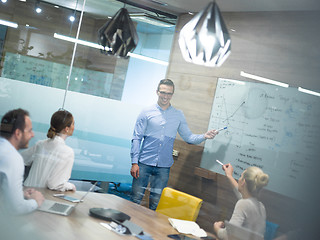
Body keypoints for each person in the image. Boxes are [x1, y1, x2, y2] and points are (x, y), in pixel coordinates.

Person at [130, 79, 219, 210]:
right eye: (163, 92)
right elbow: (136, 138)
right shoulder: (146, 112)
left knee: (156, 204)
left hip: (163, 167)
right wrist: (134, 162)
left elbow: (188, 137)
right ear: (157, 92)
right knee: (135, 200)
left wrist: (204, 136)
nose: (165, 96)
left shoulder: (178, 115)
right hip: (143, 163)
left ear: (172, 94)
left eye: (169, 93)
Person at [0, 108, 44, 215]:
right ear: (18, 133)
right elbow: (16, 208)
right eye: (29, 131)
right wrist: (36, 201)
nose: (32, 134)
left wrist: (18, 194)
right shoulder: (12, 158)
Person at [22, 109, 76, 192]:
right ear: (67, 129)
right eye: (73, 124)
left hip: (25, 193)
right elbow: (55, 184)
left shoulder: (40, 144)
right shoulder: (68, 152)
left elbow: (22, 159)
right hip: (42, 198)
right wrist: (71, 186)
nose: (74, 127)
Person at [213, 163, 269, 239]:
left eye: (240, 177)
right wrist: (229, 175)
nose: (239, 179)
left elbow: (227, 236)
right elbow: (242, 195)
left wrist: (217, 228)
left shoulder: (243, 204)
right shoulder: (261, 206)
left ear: (243, 182)